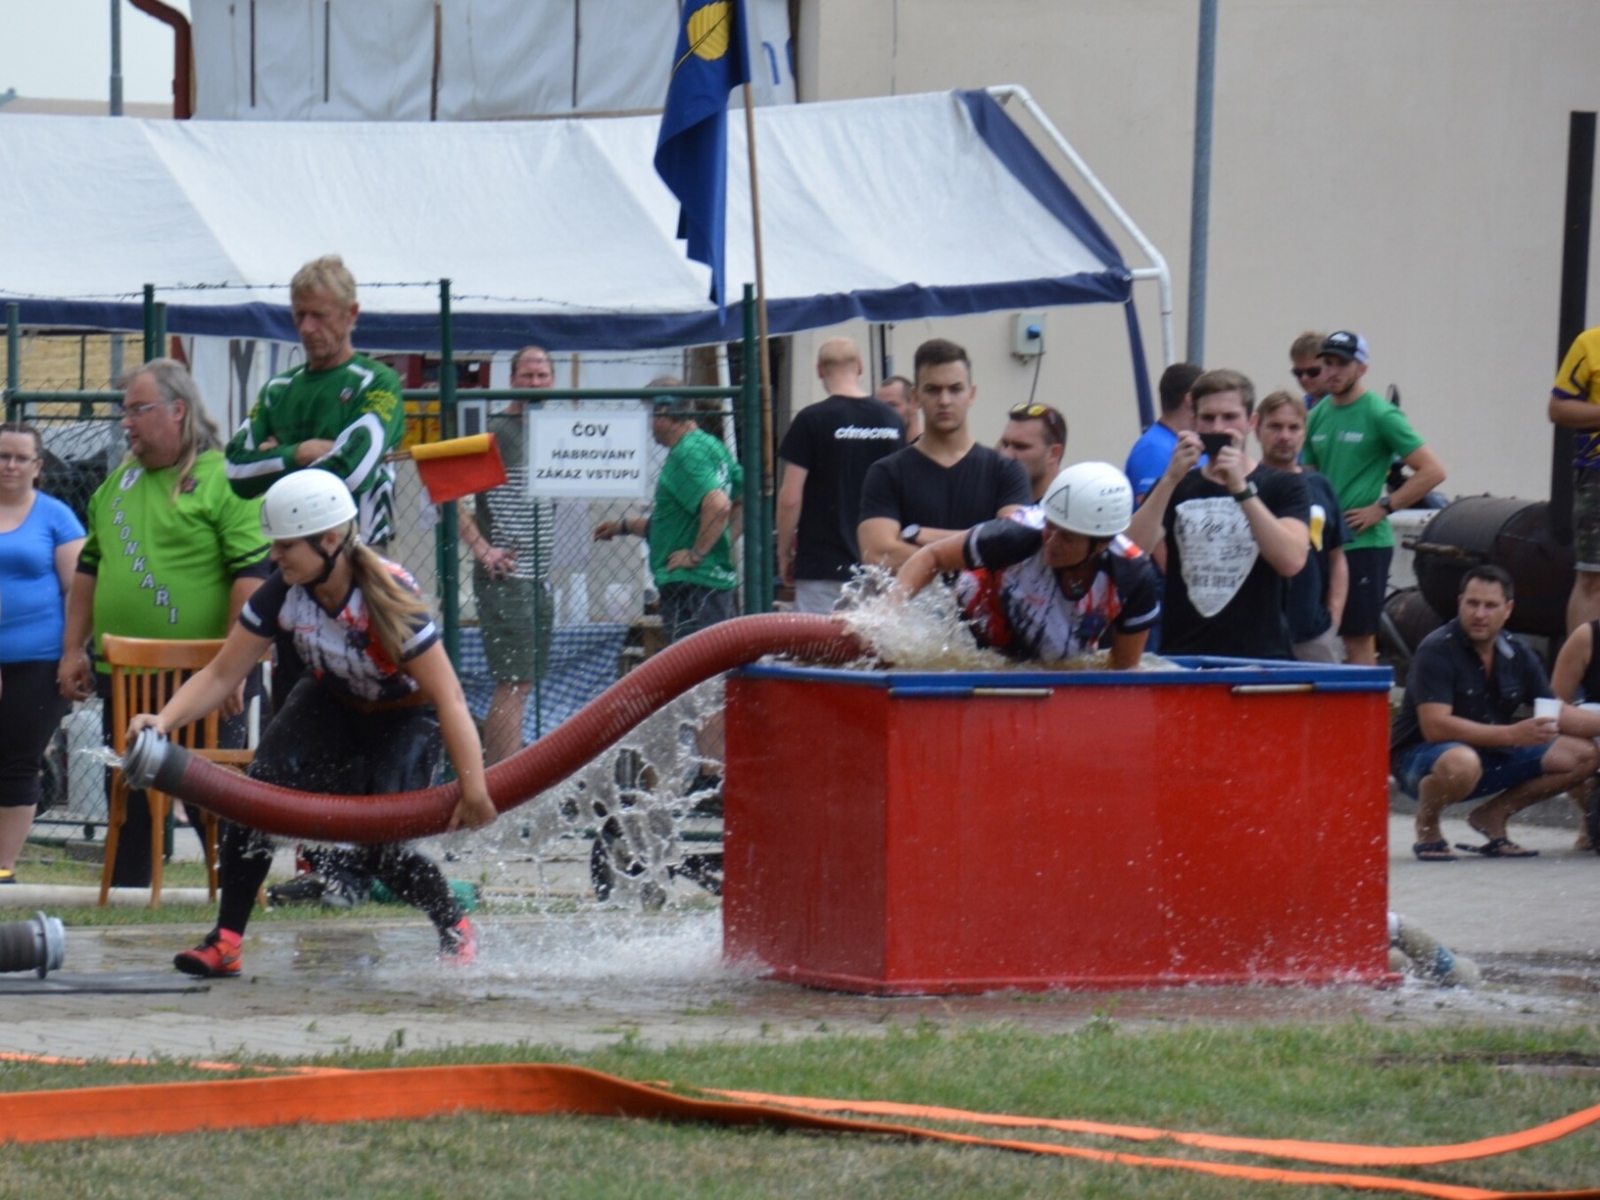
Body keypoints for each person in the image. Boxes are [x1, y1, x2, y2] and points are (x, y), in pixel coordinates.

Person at [128, 470, 495, 977]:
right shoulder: (283, 591)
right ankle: (226, 941)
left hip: (404, 715)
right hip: (333, 700)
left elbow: (450, 696)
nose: (274, 557)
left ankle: (455, 926)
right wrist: (163, 719)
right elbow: (220, 674)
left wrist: (474, 789)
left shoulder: (386, 593)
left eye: (285, 546)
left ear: (329, 541)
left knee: (379, 847)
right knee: (254, 803)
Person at [59, 360, 273, 887]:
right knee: (129, 792)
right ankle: (128, 895)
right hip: (126, 675)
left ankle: (235, 896)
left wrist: (235, 665)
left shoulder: (226, 480)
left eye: (138, 409)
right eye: (125, 411)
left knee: (211, 794)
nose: (126, 422)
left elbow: (251, 575)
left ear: (178, 411)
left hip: (205, 676)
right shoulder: (118, 482)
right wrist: (72, 649)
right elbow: (90, 568)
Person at [1391, 565, 1598, 861]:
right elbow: (1435, 727)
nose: (1480, 614)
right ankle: (1427, 825)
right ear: (1460, 603)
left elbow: (1556, 712)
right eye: (1472, 603)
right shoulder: (1436, 649)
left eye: (1490, 605)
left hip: (1490, 752)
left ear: (1508, 609)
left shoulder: (1518, 651)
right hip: (1422, 758)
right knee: (1461, 762)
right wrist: (1512, 734)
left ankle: (1493, 815)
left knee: (1582, 754)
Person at [894, 462, 1158, 668]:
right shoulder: (1015, 534)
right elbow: (932, 556)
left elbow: (1123, 670)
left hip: (1050, 661)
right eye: (1050, 526)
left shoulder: (1133, 576)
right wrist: (888, 610)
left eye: (1067, 537)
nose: (1051, 542)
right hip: (970, 639)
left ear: (1102, 544)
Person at [1125, 368, 1310, 659]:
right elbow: (1130, 552)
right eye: (1208, 418)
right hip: (1185, 653)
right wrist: (1170, 479)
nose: (1218, 428)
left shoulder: (1284, 485)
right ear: (1194, 422)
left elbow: (1291, 561)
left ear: (1251, 423)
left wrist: (1241, 489)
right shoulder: (1176, 485)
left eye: (1229, 417)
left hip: (1260, 656)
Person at [223, 255, 406, 546]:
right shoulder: (277, 390)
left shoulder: (377, 381)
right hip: (289, 549)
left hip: (360, 550)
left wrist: (274, 460)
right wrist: (300, 452)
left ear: (351, 314)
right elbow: (235, 469)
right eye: (299, 315)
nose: (306, 328)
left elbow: (352, 470)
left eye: (319, 315)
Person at [1303, 331, 1447, 665]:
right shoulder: (1317, 415)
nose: (1332, 371)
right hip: (1323, 543)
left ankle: (1365, 701)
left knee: (1358, 637)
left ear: (1362, 368)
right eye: (1327, 363)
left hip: (1364, 543)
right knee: (1314, 636)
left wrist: (1383, 507)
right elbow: (1307, 477)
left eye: (1342, 364)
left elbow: (1433, 470)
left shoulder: (1380, 414)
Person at [456, 344, 556, 764]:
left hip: (540, 576)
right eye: (527, 375)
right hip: (507, 575)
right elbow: (448, 496)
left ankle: (507, 776)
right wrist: (483, 549)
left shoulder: (557, 432)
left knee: (524, 682)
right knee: (514, 682)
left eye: (542, 375)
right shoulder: (495, 431)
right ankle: (502, 780)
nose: (535, 382)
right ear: (512, 379)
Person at [857, 338, 1031, 572]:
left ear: (972, 394)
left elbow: (1010, 546)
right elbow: (878, 554)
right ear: (915, 397)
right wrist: (978, 541)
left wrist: (918, 535)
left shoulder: (1006, 470)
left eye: (955, 389)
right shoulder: (886, 472)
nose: (945, 401)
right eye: (933, 390)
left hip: (982, 599)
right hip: (912, 597)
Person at [0, 423, 85, 883]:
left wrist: (75, 652)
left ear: (37, 467)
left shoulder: (56, 517)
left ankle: (3, 869)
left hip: (38, 662)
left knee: (19, 760)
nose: (10, 465)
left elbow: (79, 590)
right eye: (2, 456)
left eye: (21, 458)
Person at [593, 381, 742, 642]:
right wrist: (622, 526)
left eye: (649, 414)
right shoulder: (711, 445)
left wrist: (696, 555)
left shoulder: (686, 452)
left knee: (693, 664)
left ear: (663, 411)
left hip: (693, 587)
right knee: (708, 662)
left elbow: (719, 505)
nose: (648, 424)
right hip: (707, 583)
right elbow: (741, 497)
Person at [775, 337, 903, 614]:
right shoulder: (892, 421)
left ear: (819, 370)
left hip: (823, 566)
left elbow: (790, 497)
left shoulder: (811, 419)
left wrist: (783, 551)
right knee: (874, 641)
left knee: (820, 641)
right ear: (860, 367)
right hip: (880, 565)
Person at [1256, 390, 1349, 663]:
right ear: (1257, 429)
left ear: (1304, 433)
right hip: (1255, 636)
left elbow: (1337, 557)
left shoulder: (1319, 485)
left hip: (1313, 635)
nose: (1285, 436)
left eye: (1293, 427)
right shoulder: (1244, 485)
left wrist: (1333, 620)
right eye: (1275, 427)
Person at [1546, 322, 1600, 632]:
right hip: (1597, 475)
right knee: (1593, 577)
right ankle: (1583, 660)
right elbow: (1558, 408)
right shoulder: (1590, 343)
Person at [1124, 362, 1202, 505]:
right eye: (1205, 397)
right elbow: (1149, 507)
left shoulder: (1189, 444)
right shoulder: (1153, 449)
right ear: (1190, 400)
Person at [997, 403, 1067, 502]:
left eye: (1021, 446)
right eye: (1005, 444)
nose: (1006, 455)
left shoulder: (1073, 508)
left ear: (1053, 454)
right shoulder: (992, 502)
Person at [875, 375, 919, 442]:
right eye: (879, 406)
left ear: (914, 403)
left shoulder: (931, 448)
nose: (883, 412)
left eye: (891, 405)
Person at [1288, 330, 1327, 405]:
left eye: (1312, 372)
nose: (1304, 378)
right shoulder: (1303, 405)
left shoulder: (1339, 404)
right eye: (1298, 373)